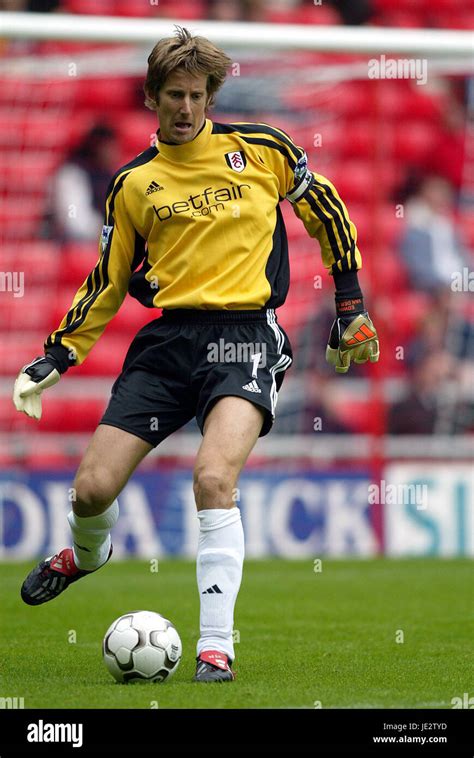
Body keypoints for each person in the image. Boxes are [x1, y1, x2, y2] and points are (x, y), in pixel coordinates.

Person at [13, 27, 379, 683]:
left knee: (213, 479)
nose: (187, 108)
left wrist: (350, 305)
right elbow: (108, 278)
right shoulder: (133, 184)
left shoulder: (260, 148)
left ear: (210, 94)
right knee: (92, 488)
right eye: (174, 95)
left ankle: (215, 647)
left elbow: (323, 206)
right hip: (168, 343)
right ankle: (87, 556)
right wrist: (57, 357)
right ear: (152, 98)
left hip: (246, 339)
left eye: (197, 95)